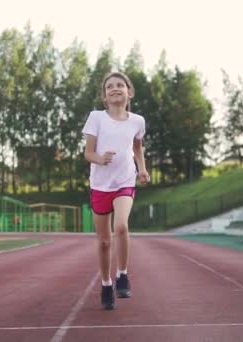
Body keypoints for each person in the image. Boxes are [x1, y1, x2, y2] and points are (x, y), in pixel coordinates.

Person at [82, 71, 149, 310]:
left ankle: (122, 275)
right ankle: (106, 283)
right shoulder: (96, 118)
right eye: (110, 86)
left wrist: (142, 169)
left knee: (121, 226)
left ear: (129, 92)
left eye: (120, 85)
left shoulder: (137, 121)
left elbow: (137, 146)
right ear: (105, 96)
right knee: (103, 242)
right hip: (100, 185)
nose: (115, 88)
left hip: (125, 181)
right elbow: (88, 153)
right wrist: (101, 159)